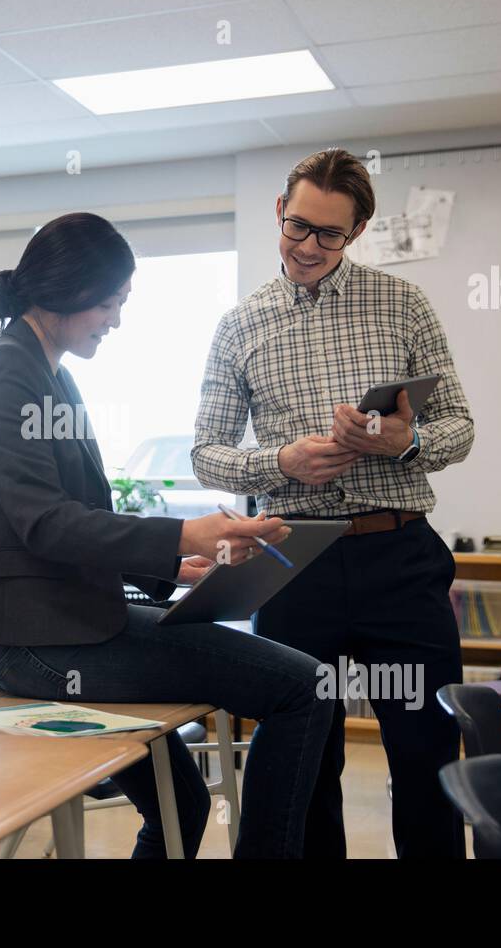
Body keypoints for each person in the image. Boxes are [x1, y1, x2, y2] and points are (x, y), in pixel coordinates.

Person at [0, 212, 334, 858]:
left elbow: (76, 523)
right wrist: (187, 536)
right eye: (110, 303)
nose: (115, 320)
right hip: (34, 641)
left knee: (183, 799)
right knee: (306, 688)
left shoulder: (51, 374)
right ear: (67, 290)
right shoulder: (3, 374)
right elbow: (45, 524)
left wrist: (174, 570)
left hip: (67, 621)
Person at [192, 149, 475, 858]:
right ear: (278, 214)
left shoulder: (403, 305)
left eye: (329, 235)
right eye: (297, 227)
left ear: (359, 231)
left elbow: (460, 428)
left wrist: (401, 441)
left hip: (400, 557)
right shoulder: (240, 325)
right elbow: (205, 452)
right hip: (294, 560)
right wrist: (279, 460)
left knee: (428, 754)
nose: (308, 247)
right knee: (304, 759)